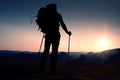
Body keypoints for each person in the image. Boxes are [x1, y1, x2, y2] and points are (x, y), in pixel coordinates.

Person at [40, 3, 72, 75]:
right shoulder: (58, 15)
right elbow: (63, 24)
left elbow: (44, 23)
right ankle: (52, 70)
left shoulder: (47, 15)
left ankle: (42, 69)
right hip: (55, 35)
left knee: (46, 51)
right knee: (54, 52)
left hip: (48, 35)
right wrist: (67, 32)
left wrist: (45, 29)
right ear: (55, 8)